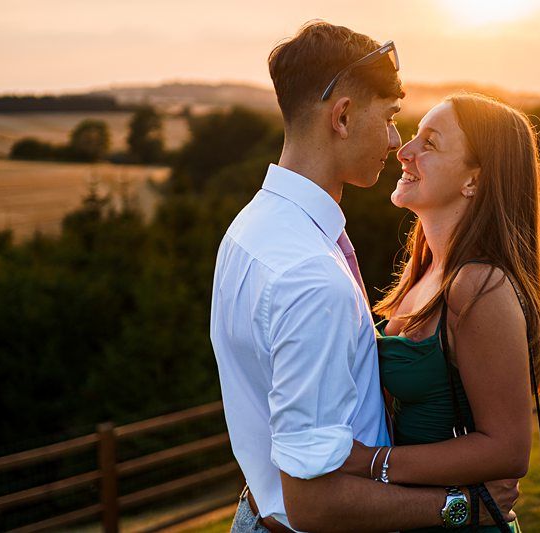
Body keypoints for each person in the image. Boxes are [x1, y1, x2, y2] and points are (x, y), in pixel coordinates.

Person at [210, 21, 518, 532]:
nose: (397, 141)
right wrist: (456, 508)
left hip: (259, 514)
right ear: (344, 116)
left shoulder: (250, 230)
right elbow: (314, 504)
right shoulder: (312, 277)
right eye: (393, 118)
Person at [339, 93, 540, 532]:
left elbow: (508, 451)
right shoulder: (423, 273)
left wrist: (371, 463)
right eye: (414, 137)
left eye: (431, 144)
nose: (404, 151)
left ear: (473, 181)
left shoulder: (479, 287)